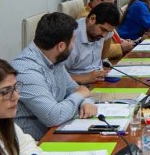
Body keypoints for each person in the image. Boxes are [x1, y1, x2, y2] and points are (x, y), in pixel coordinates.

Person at [12, 12, 97, 141]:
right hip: (35, 143)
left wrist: (86, 102)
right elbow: (54, 116)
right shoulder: (26, 71)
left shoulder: (54, 58)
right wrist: (80, 95)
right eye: (73, 41)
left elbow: (75, 89)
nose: (73, 46)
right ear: (61, 46)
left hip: (58, 132)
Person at [65, 2, 120, 85]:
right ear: (92, 19)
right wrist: (84, 78)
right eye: (103, 30)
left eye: (108, 32)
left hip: (100, 79)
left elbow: (109, 36)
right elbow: (56, 77)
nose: (104, 35)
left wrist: (104, 60)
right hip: (79, 86)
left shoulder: (103, 33)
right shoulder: (71, 39)